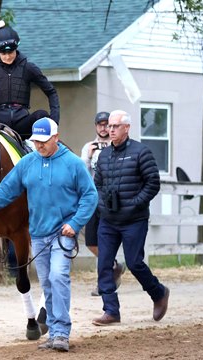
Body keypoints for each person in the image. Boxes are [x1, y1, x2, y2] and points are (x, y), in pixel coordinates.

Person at [0, 117, 98, 352]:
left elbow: (90, 196)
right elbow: (7, 189)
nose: (39, 146)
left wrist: (76, 223)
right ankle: (52, 329)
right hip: (38, 235)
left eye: (44, 141)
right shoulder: (28, 163)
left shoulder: (73, 164)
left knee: (59, 277)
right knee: (48, 283)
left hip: (63, 234)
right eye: (36, 141)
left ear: (55, 138)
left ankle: (61, 332)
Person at [92, 110, 169, 326]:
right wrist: (101, 204)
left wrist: (135, 203)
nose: (111, 129)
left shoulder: (141, 152)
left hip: (134, 219)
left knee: (134, 263)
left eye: (116, 126)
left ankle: (159, 293)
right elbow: (96, 184)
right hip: (108, 219)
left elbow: (153, 183)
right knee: (104, 265)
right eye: (109, 126)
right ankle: (111, 311)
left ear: (127, 128)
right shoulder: (104, 155)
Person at [0, 20, 60, 140]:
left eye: (10, 52)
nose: (7, 56)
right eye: (3, 53)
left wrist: (54, 121)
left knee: (42, 115)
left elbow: (51, 92)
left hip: (22, 122)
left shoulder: (29, 68)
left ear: (16, 48)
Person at [80, 111, 125, 296]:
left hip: (111, 200)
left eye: (107, 124)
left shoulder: (117, 146)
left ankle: (104, 284)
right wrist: (88, 157)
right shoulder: (88, 146)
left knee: (106, 241)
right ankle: (114, 265)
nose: (104, 127)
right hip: (92, 198)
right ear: (96, 126)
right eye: (100, 124)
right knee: (91, 242)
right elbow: (81, 172)